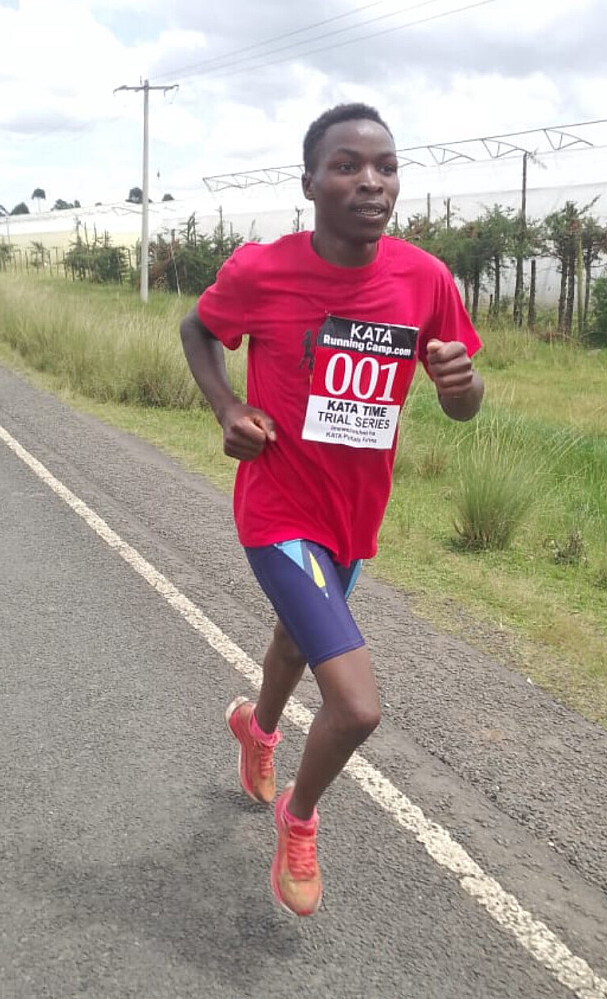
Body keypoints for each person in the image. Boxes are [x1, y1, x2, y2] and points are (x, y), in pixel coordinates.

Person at [180, 102, 484, 916]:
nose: (370, 181)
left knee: (294, 637)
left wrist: (463, 386)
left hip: (354, 517)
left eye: (386, 166)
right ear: (310, 182)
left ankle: (256, 730)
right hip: (277, 508)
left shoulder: (425, 279)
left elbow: (463, 402)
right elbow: (197, 327)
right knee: (355, 706)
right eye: (347, 165)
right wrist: (226, 408)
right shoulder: (263, 271)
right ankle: (300, 815)